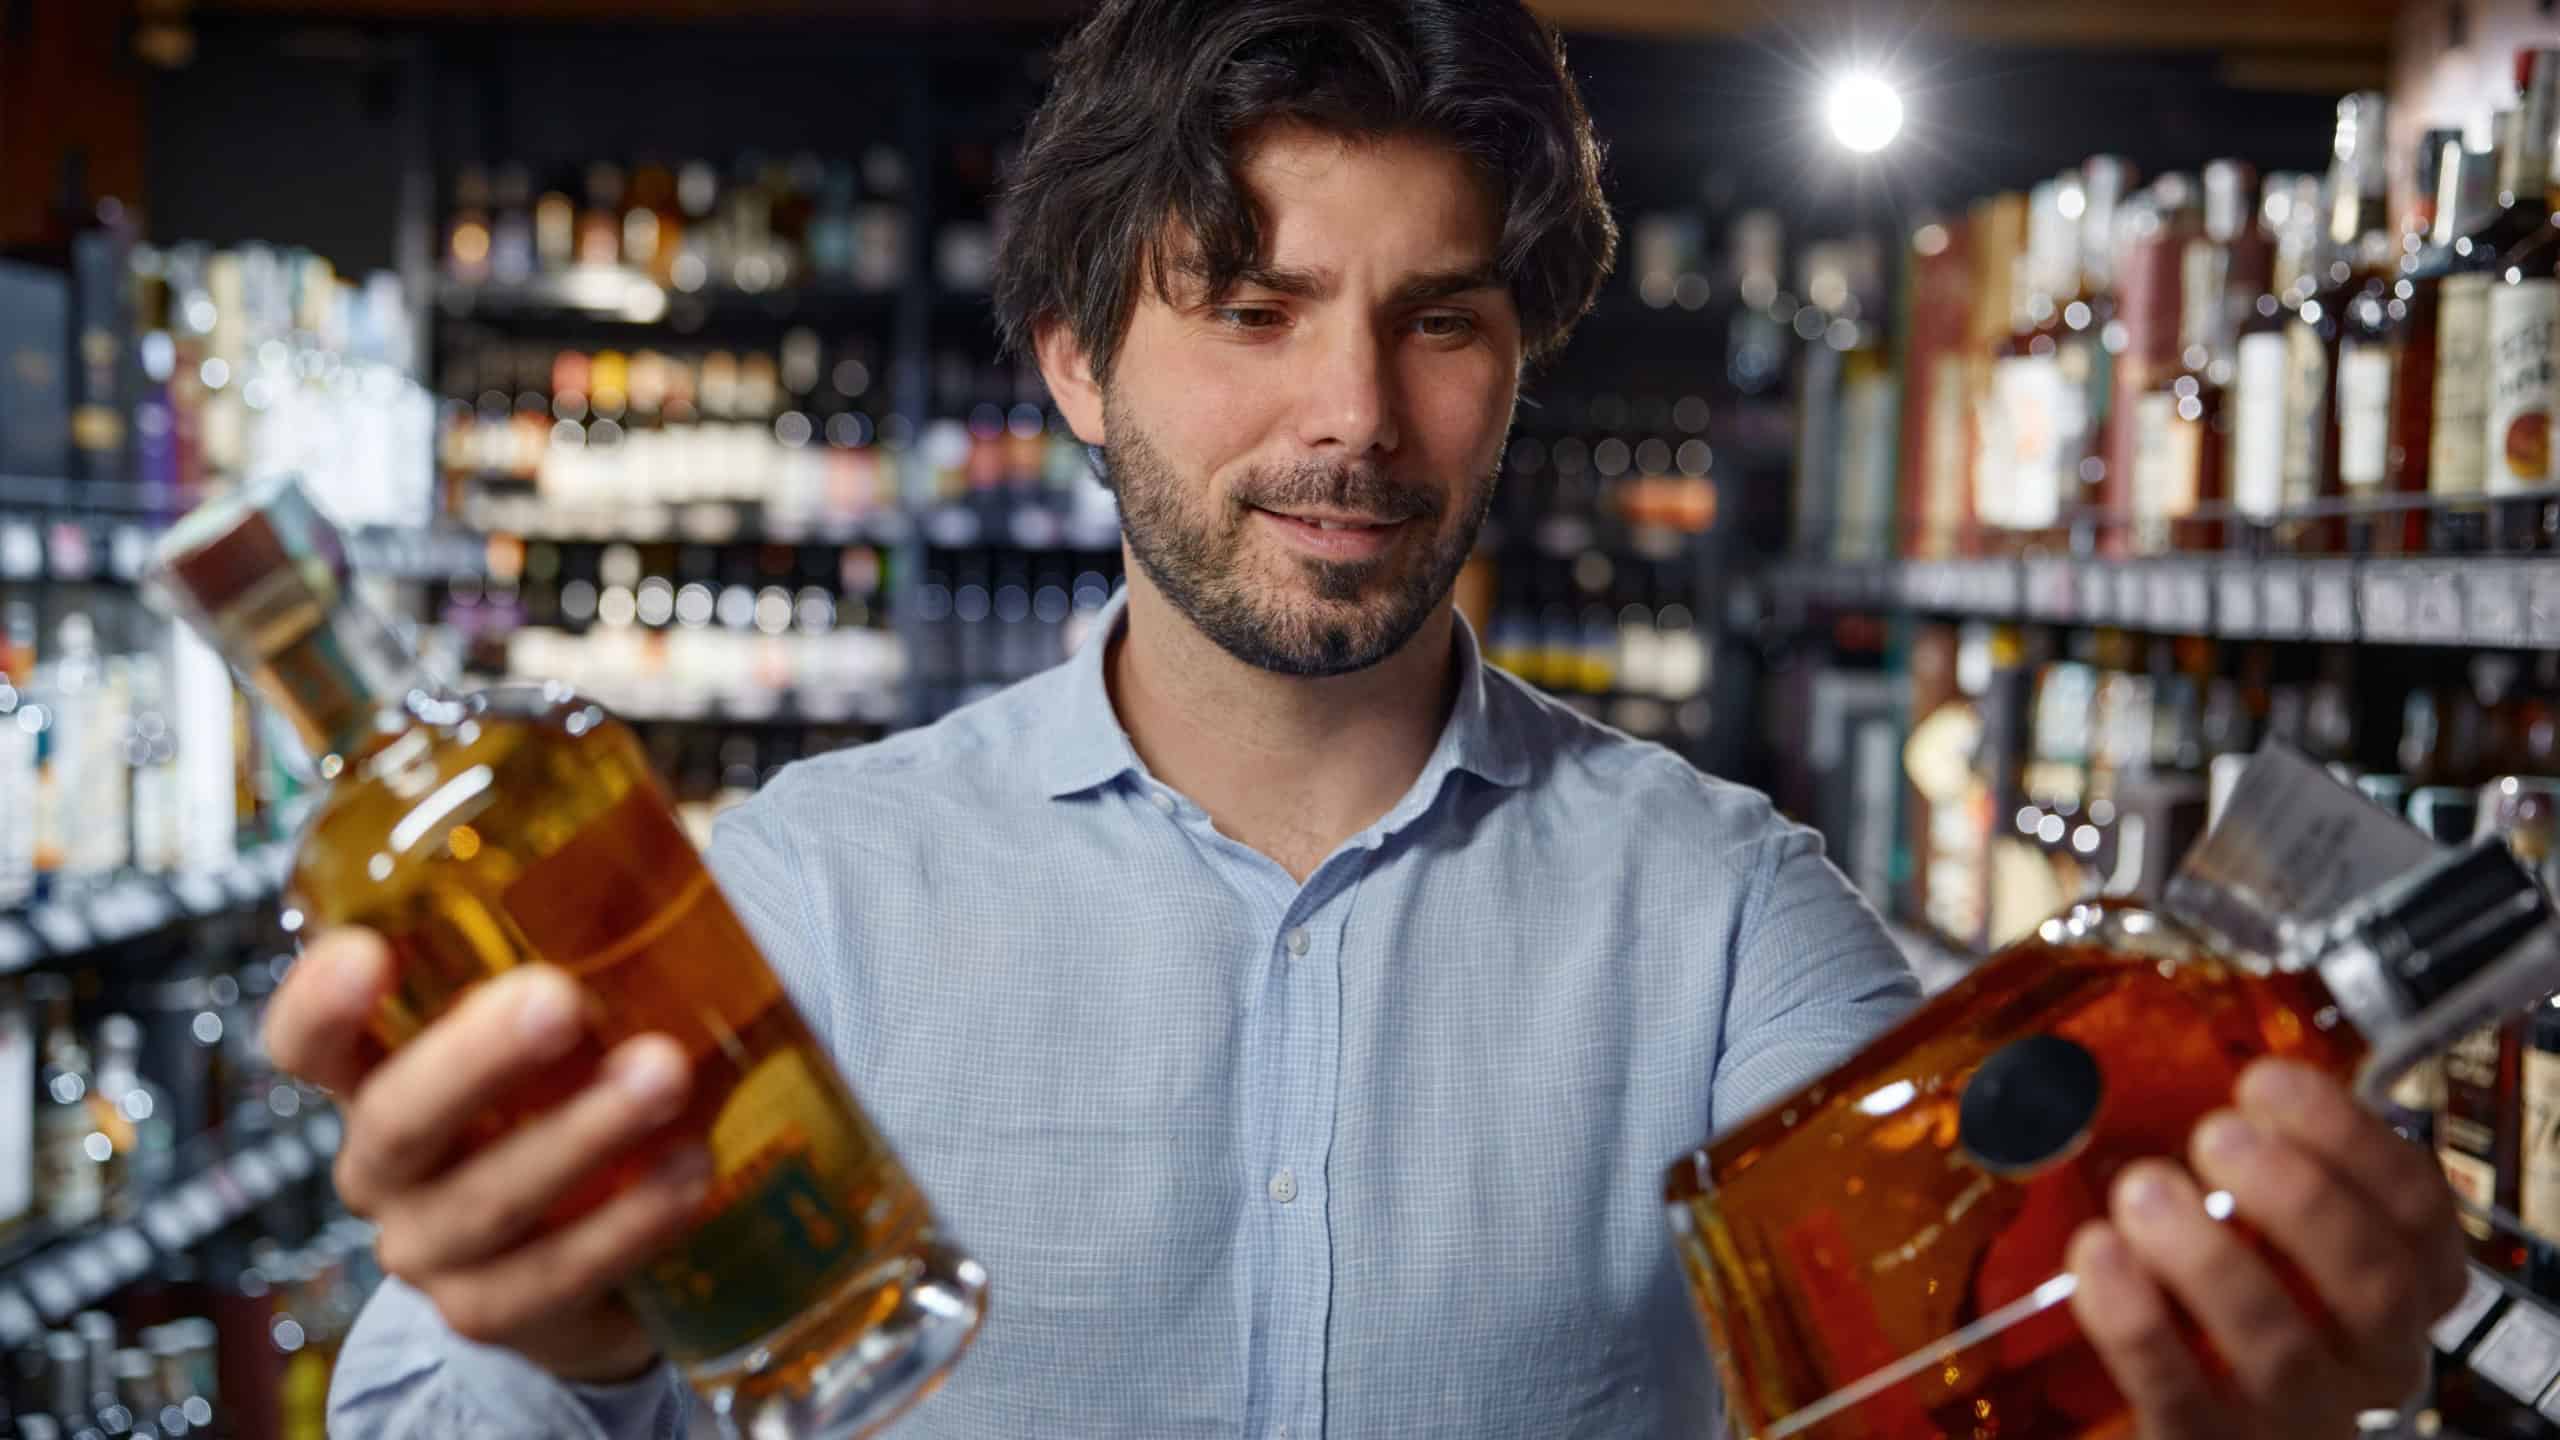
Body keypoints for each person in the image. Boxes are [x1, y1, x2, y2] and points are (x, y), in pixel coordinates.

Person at [290, 2, 2465, 1435]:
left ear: (1515, 362)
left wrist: (2227, 1366)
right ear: (1068, 360)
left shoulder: (1722, 923)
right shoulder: (783, 906)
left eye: (1438, 324)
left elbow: (1959, 1351)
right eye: (1250, 314)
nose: (1352, 421)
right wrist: (544, 1350)